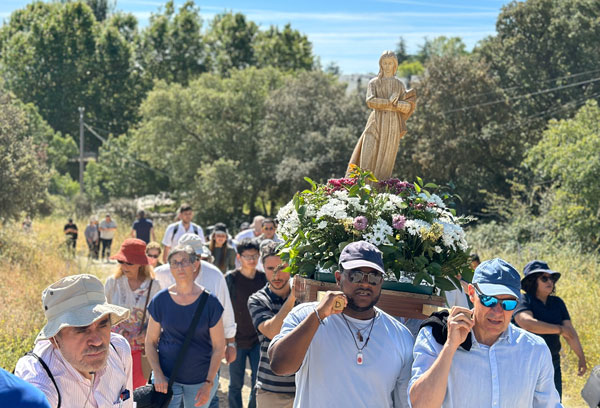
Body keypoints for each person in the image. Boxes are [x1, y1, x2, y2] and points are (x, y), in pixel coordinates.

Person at [268, 241, 414, 408]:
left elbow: (403, 402)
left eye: (374, 277)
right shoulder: (305, 316)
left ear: (381, 282)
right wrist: (318, 315)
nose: (365, 283)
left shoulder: (400, 336)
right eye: (356, 275)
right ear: (338, 278)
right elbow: (280, 366)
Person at [409, 258, 562, 407]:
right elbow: (421, 404)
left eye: (508, 303)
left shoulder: (534, 349)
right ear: (471, 293)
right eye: (489, 300)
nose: (497, 311)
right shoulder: (438, 336)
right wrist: (450, 347)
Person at [15, 274, 133, 407]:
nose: (97, 341)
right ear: (54, 340)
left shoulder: (119, 350)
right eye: (81, 329)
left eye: (103, 324)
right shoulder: (41, 381)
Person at [154, 233, 237, 408]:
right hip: (169, 361)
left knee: (207, 398)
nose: (195, 262)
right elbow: (153, 316)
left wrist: (231, 343)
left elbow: (225, 311)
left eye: (198, 257)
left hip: (205, 357)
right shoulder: (160, 274)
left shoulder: (214, 275)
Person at [514, 260, 587, 398]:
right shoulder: (523, 300)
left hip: (552, 361)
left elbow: (570, 332)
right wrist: (559, 329)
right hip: (525, 361)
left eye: (552, 278)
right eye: (544, 278)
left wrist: (581, 358)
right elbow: (526, 322)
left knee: (554, 400)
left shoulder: (557, 303)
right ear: (532, 281)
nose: (550, 282)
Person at [347, 50, 416, 181]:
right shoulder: (374, 83)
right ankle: (362, 188)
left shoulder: (399, 85)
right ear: (380, 64)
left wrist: (397, 104)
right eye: (385, 63)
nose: (387, 66)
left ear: (395, 65)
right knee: (367, 156)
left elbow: (408, 107)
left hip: (392, 124)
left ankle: (380, 192)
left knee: (386, 161)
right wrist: (389, 102)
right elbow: (370, 101)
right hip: (376, 120)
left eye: (390, 63)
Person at [104, 238, 161, 389]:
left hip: (139, 350)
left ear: (141, 264)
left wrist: (147, 332)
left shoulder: (153, 286)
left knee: (134, 392)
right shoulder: (112, 283)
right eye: (121, 262)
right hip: (112, 349)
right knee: (111, 391)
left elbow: (158, 318)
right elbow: (101, 313)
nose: (124, 266)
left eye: (129, 263)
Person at [248, 240, 296, 407]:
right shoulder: (257, 299)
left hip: (304, 387)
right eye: (270, 269)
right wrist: (293, 298)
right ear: (263, 268)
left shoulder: (306, 297)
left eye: (282, 268)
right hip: (271, 390)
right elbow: (273, 331)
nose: (276, 275)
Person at [225, 238, 267, 408]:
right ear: (238, 257)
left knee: (257, 382)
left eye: (255, 255)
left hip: (258, 339)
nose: (252, 259)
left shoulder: (263, 279)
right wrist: (227, 340)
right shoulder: (230, 279)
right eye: (247, 256)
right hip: (236, 339)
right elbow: (224, 309)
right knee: (235, 383)